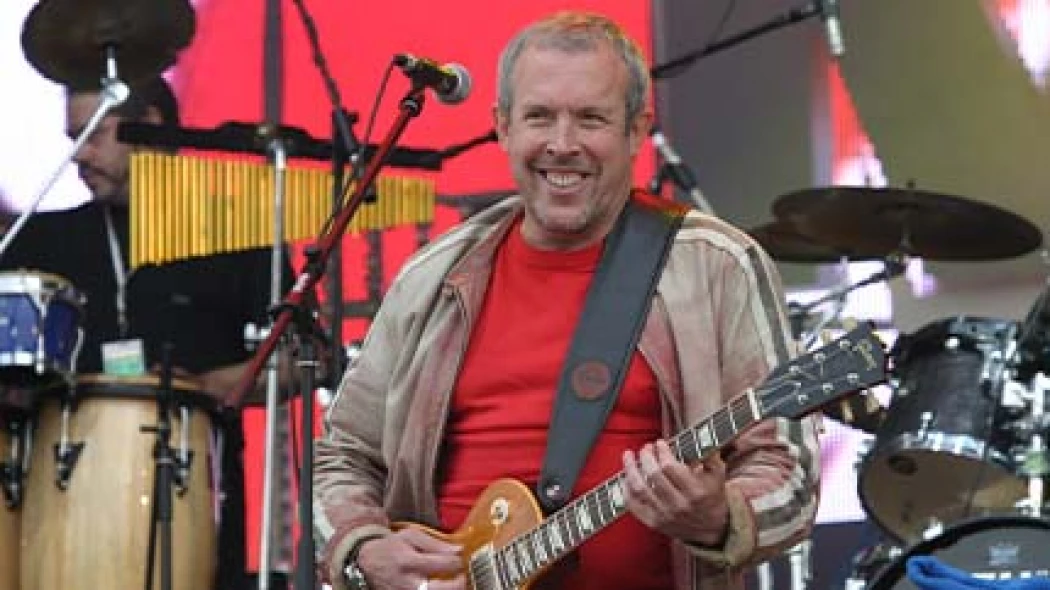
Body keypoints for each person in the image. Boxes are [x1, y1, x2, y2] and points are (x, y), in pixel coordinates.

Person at [313, 10, 820, 590]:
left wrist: (720, 517)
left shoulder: (717, 264)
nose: (562, 144)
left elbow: (789, 474)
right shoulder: (435, 274)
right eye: (539, 117)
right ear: (502, 127)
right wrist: (363, 550)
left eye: (590, 119)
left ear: (636, 131)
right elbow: (340, 456)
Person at [0, 76, 292, 590]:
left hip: (196, 482)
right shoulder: (41, 239)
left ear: (151, 127)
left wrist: (210, 387)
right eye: (73, 138)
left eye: (94, 135)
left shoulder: (237, 232)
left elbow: (299, 360)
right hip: (54, 490)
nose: (79, 155)